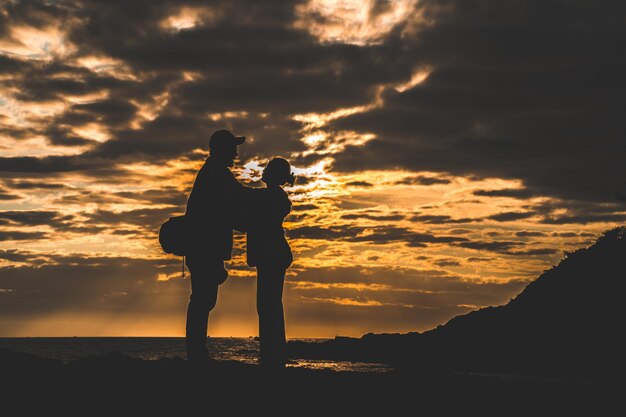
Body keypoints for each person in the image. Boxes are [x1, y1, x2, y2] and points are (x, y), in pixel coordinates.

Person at [184, 129, 247, 361]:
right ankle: (197, 353)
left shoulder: (215, 171)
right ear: (221, 149)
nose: (236, 151)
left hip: (203, 246)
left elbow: (230, 206)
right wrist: (267, 198)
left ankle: (197, 351)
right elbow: (240, 196)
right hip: (204, 247)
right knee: (203, 299)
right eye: (232, 147)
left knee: (203, 298)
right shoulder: (216, 173)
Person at [246, 157, 295, 367]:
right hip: (273, 254)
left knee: (268, 305)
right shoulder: (272, 196)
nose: (265, 172)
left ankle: (272, 353)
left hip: (272, 254)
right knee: (269, 304)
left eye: (269, 169)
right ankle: (273, 351)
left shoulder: (271, 197)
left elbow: (246, 197)